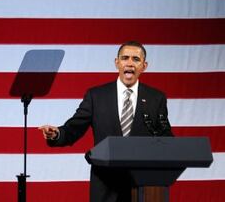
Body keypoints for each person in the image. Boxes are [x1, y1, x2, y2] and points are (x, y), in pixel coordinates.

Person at [39, 41, 173, 202]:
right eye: (125, 58)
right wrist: (57, 134)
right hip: (105, 185)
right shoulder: (96, 96)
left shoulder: (155, 98)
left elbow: (165, 135)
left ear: (144, 66)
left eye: (136, 59)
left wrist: (171, 148)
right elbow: (74, 128)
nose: (130, 63)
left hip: (143, 186)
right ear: (117, 63)